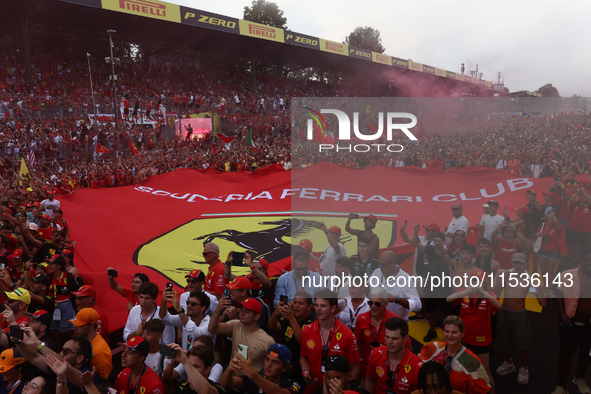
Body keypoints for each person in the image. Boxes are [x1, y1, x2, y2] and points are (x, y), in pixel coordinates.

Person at [492, 253, 546, 385]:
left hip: (520, 314)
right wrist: (498, 277)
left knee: (524, 344)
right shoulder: (505, 274)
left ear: (526, 265)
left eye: (520, 263)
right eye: (515, 263)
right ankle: (508, 363)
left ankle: (523, 368)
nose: (517, 266)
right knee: (504, 340)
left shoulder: (529, 278)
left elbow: (543, 303)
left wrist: (538, 286)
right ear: (512, 263)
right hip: (504, 312)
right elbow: (495, 292)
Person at [446, 275, 501, 393]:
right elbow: (448, 299)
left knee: (485, 372)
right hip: (463, 338)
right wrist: (464, 292)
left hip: (481, 339)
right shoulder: (464, 292)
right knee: (461, 368)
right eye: (474, 281)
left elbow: (498, 306)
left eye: (480, 282)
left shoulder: (488, 293)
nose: (476, 284)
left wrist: (484, 292)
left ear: (484, 283)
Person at [300, 289, 360, 394]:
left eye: (323, 306)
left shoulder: (347, 334)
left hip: (337, 391)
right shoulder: (307, 330)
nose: (318, 309)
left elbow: (355, 365)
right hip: (312, 388)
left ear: (333, 308)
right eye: (317, 305)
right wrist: (305, 371)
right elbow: (303, 356)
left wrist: (347, 386)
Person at [552, 246, 591, 394]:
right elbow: (559, 293)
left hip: (590, 325)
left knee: (587, 352)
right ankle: (562, 386)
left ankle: (580, 378)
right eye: (588, 260)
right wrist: (562, 315)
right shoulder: (568, 275)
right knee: (566, 352)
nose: (590, 263)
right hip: (570, 321)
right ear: (581, 260)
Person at [419, 316, 491, 394]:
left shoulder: (472, 362)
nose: (450, 335)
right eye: (447, 331)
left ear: (462, 333)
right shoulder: (432, 348)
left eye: (454, 332)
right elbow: (419, 371)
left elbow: (483, 391)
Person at [208, 296, 274, 374]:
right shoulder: (235, 325)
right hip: (232, 381)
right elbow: (212, 329)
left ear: (256, 316)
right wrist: (218, 310)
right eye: (241, 310)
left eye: (247, 311)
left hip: (252, 384)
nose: (242, 313)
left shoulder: (267, 341)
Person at [355, 288, 409, 380]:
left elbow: (408, 349)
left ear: (386, 304)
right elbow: (359, 344)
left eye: (377, 304)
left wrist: (385, 349)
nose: (373, 306)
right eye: (370, 303)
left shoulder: (396, 321)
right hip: (366, 368)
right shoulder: (361, 318)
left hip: (389, 371)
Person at [365, 317, 423, 394]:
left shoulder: (417, 366)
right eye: (387, 337)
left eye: (395, 339)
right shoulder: (375, 353)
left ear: (405, 339)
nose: (389, 342)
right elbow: (370, 380)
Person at [268, 289, 315, 381]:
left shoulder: (313, 323)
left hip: (301, 367)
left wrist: (291, 318)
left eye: (301, 303)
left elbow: (303, 342)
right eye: (295, 302)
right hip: (284, 366)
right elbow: (272, 327)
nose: (296, 306)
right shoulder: (288, 318)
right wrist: (276, 314)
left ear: (309, 307)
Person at [220, 343, 301, 394]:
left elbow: (279, 392)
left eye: (275, 362)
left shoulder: (293, 384)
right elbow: (225, 383)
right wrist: (230, 368)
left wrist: (252, 373)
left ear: (284, 368)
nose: (268, 365)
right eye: (267, 359)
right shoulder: (257, 377)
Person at [369, 250, 421, 320]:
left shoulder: (405, 279)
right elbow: (368, 286)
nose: (380, 267)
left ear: (393, 263)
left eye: (383, 265)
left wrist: (397, 299)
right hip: (375, 320)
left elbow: (418, 305)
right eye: (379, 264)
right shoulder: (377, 272)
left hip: (395, 325)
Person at [69, 308, 112, 380]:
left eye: (80, 325)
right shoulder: (84, 339)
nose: (75, 329)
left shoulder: (99, 352)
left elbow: (102, 380)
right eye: (75, 324)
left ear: (91, 326)